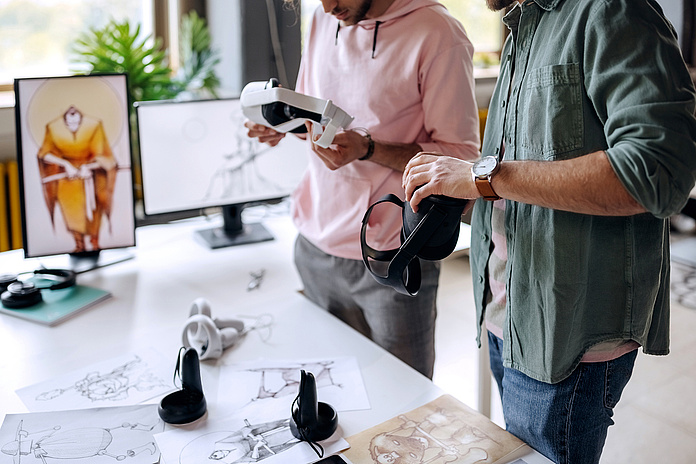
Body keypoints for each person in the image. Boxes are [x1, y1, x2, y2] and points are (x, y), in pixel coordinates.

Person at [402, 0, 696, 461]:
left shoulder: (613, 10)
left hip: (567, 338)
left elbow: (655, 172)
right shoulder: (526, 25)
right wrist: (460, 188)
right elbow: (531, 176)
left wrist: (482, 176)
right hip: (508, 316)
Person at [246, 0, 480, 378]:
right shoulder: (324, 17)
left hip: (392, 257)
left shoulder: (438, 33)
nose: (327, 5)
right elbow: (315, 115)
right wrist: (283, 124)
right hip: (314, 248)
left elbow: (459, 159)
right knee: (334, 401)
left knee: (405, 409)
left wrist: (368, 148)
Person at [37, 105, 118, 253]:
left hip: (90, 176)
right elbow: (44, 153)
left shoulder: (94, 126)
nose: (73, 126)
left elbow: (103, 154)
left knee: (94, 211)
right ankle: (79, 244)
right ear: (65, 121)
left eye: (76, 122)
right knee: (71, 212)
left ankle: (94, 243)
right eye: (70, 123)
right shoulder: (53, 128)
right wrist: (65, 164)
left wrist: (89, 167)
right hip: (67, 178)